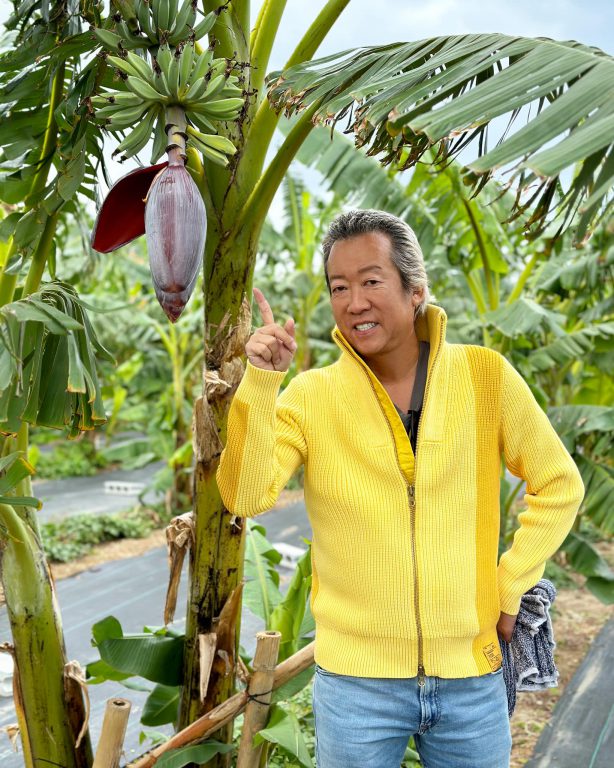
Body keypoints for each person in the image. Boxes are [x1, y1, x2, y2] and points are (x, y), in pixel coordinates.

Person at [217, 209, 584, 768]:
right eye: (339, 287)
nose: (354, 301)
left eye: (370, 281)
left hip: (470, 677)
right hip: (355, 687)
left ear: (415, 290)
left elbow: (559, 484)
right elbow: (247, 497)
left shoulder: (485, 375)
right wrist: (263, 383)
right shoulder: (311, 396)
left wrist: (510, 585)